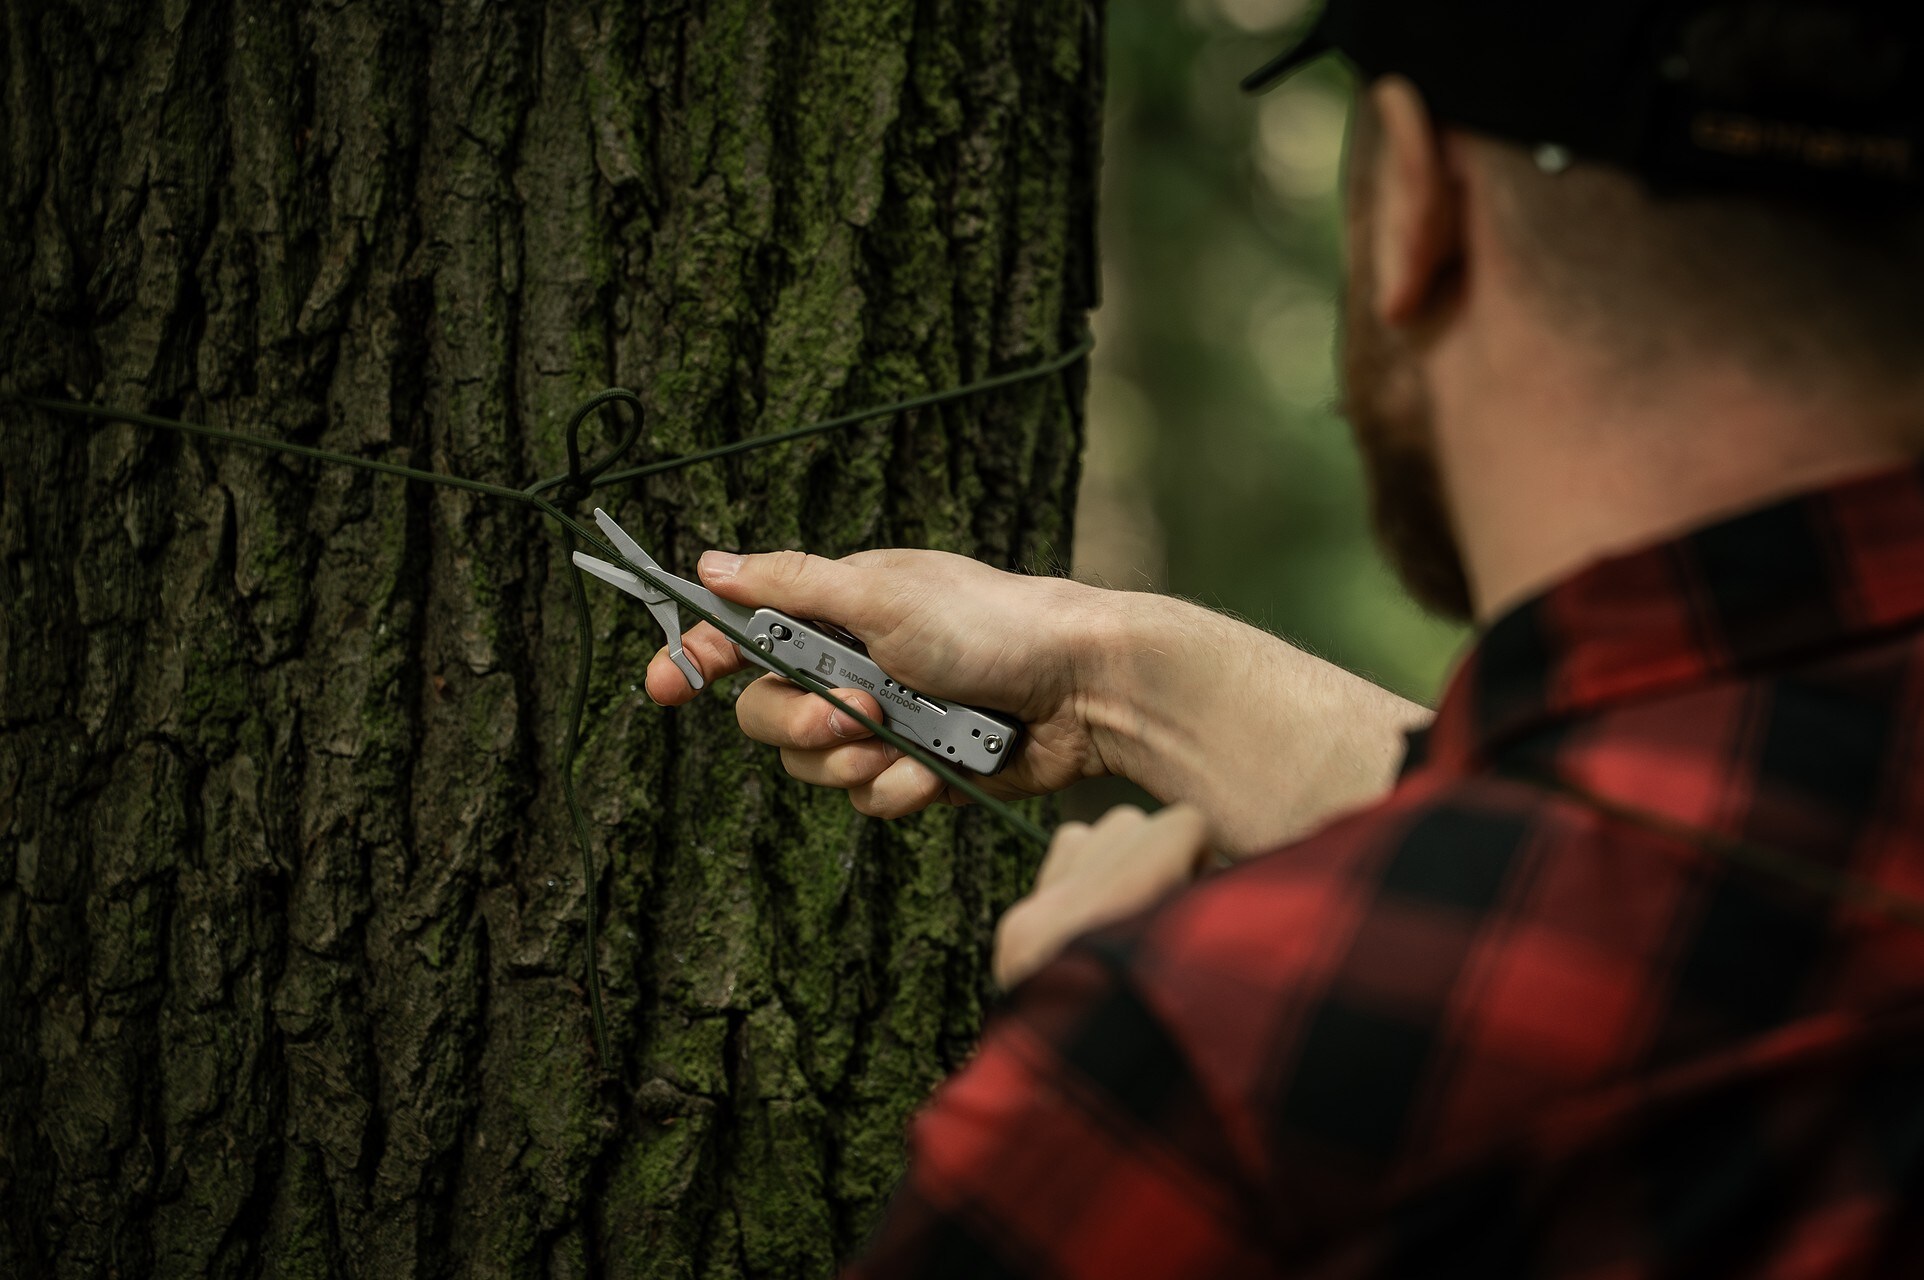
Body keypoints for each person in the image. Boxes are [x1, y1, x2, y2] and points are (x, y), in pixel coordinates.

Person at [649, 1, 1924, 1274]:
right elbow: (1679, 857)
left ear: (1412, 202)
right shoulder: (1795, 822)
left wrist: (1108, 1055)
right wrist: (1113, 667)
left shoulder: (1215, 1082)